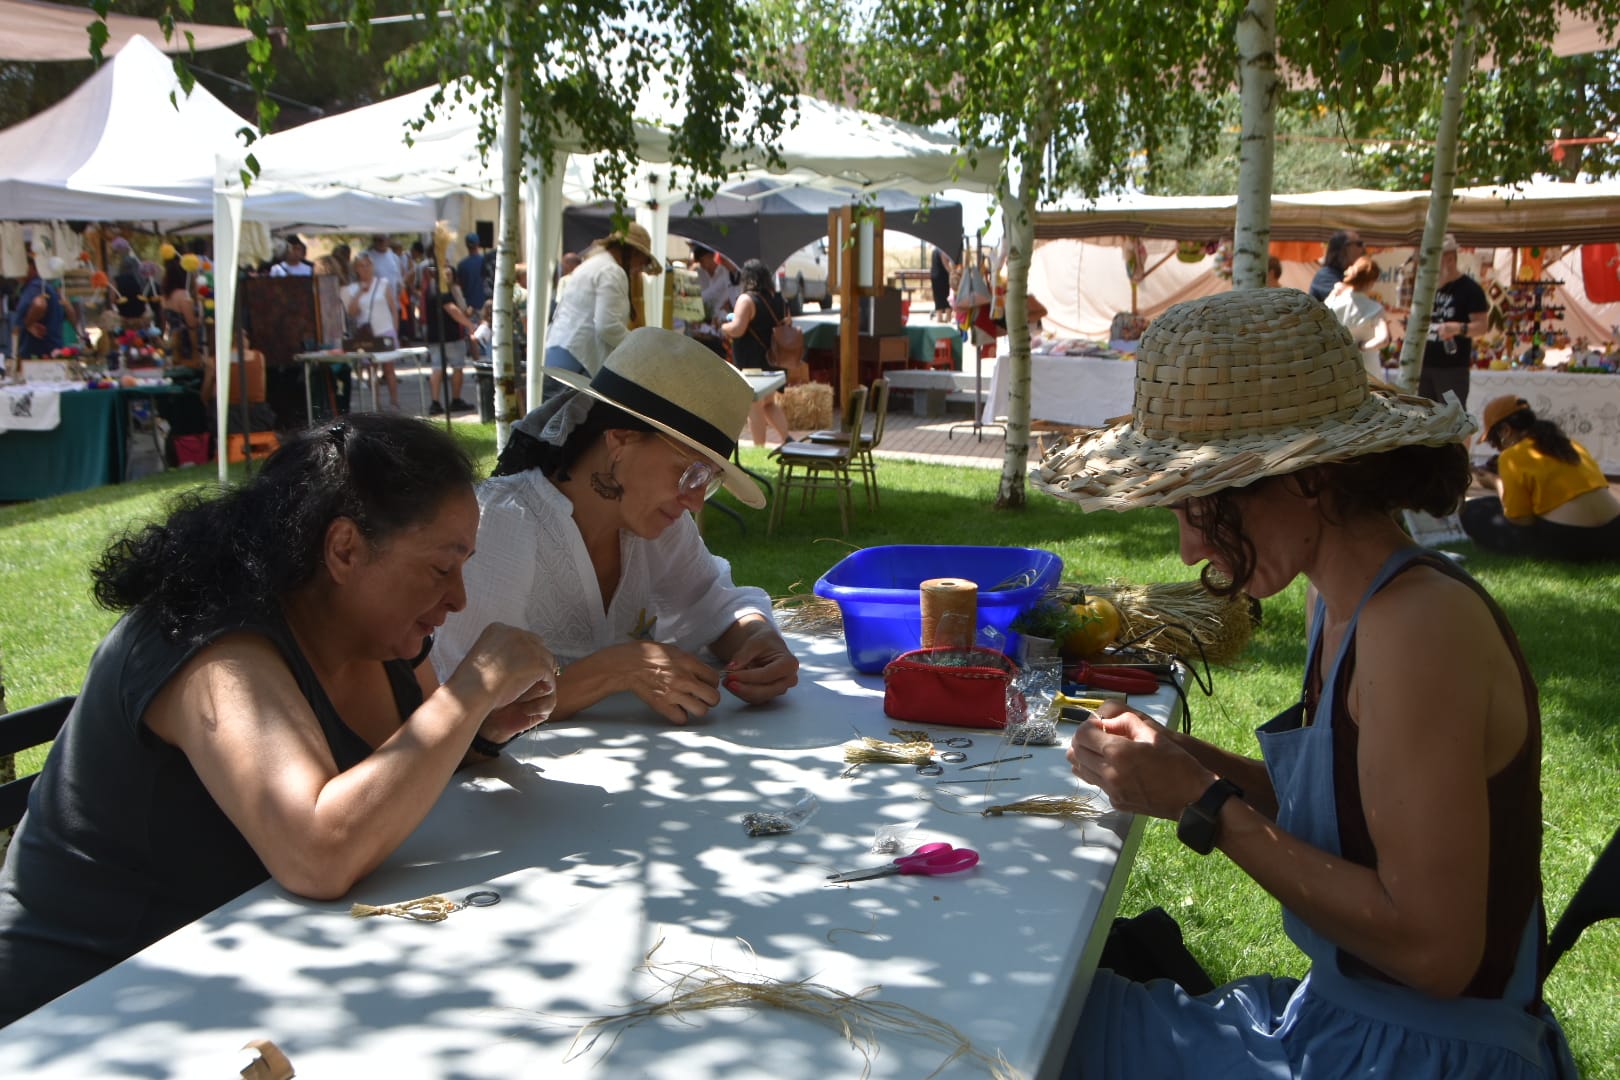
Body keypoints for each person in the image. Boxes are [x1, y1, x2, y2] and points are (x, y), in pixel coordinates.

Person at [1034, 289, 1575, 1079]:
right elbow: (1356, 816)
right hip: (1345, 1024)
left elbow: (1436, 953)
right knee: (1044, 1001)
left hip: (1423, 1057)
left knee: (1033, 1041)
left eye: (1199, 504)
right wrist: (1186, 761)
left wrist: (1204, 804)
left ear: (1305, 478)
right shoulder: (1342, 600)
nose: (1187, 549)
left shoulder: (1417, 626)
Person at [0, 414, 559, 1027]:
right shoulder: (212, 646)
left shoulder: (377, 636)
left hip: (243, 976)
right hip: (83, 1009)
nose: (459, 598)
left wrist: (481, 728)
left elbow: (407, 764)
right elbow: (318, 855)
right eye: (440, 568)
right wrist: (470, 692)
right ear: (344, 549)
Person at [435, 327, 798, 725]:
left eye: (708, 480)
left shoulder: (658, 527)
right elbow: (465, 701)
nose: (695, 501)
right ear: (620, 439)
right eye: (690, 472)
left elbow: (711, 602)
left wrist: (757, 637)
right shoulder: (504, 522)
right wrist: (619, 669)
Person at [1461, 395, 1620, 561]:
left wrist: (1496, 482)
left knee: (1472, 510)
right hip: (1614, 532)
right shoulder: (1572, 444)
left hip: (1573, 539)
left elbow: (1520, 520)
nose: (1498, 449)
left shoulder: (1512, 456)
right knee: (1490, 504)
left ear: (1506, 431)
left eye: (1495, 442)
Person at [541, 222, 663, 400]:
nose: (639, 269)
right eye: (642, 262)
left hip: (561, 350)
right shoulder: (612, 271)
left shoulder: (593, 264)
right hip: (578, 359)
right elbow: (607, 327)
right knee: (565, 415)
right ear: (634, 253)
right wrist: (639, 348)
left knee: (552, 413)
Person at [721, 258, 794, 447]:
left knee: (754, 406)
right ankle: (787, 439)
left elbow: (737, 329)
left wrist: (724, 327)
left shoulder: (746, 299)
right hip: (774, 359)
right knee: (768, 403)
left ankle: (758, 447)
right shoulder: (779, 300)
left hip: (752, 362)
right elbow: (788, 323)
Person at [1420, 233, 1490, 410]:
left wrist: (1459, 328)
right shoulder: (1427, 287)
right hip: (1422, 365)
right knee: (1422, 418)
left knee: (1453, 420)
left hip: (1451, 368)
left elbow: (1482, 326)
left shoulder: (1470, 289)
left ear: (1449, 259)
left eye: (1434, 260)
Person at [342, 251, 401, 410]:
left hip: (385, 329)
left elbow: (393, 308)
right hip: (367, 334)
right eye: (361, 266)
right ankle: (376, 403)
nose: (365, 269)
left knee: (389, 368)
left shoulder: (383, 283)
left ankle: (394, 401)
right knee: (371, 369)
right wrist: (360, 292)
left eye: (368, 265)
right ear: (356, 269)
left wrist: (395, 328)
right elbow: (352, 312)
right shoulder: (352, 289)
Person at [419, 263, 475, 415]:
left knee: (437, 368)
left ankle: (435, 402)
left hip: (435, 336)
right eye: (447, 275)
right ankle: (454, 400)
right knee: (456, 366)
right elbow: (452, 310)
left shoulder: (429, 288)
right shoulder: (442, 289)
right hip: (449, 336)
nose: (449, 278)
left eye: (451, 275)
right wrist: (469, 324)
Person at [1324, 255, 1390, 379]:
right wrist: (1362, 346)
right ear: (1371, 282)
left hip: (1338, 368)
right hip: (1367, 370)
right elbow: (1383, 340)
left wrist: (1334, 293)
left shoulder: (1333, 302)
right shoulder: (1375, 308)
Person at [10, 254, 66, 358]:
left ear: (32, 267)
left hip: (38, 353)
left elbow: (39, 305)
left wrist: (26, 324)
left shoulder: (35, 286)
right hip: (52, 350)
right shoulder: (47, 286)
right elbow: (68, 307)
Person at [160, 260, 200, 368]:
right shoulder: (183, 295)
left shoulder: (165, 296)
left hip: (172, 338)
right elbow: (191, 323)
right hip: (185, 341)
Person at [1308, 228, 1364, 301]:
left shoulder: (1348, 274)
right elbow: (1347, 301)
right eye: (1359, 244)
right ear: (1344, 248)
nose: (1363, 248)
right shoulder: (1325, 276)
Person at [689, 242, 739, 322]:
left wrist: (691, 299)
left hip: (730, 316)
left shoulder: (725, 271)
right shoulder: (701, 272)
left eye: (702, 261)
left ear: (710, 256)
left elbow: (713, 291)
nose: (701, 265)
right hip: (715, 318)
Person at [454, 234, 488, 315]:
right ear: (478, 244)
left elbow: (459, 285)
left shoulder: (461, 265)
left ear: (466, 245)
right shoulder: (485, 261)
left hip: (469, 308)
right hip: (484, 306)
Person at [930, 245, 955, 319]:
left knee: (937, 296)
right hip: (943, 276)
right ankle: (948, 316)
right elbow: (945, 264)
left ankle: (939, 316)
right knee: (946, 295)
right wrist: (952, 273)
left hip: (934, 275)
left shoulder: (934, 250)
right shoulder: (942, 250)